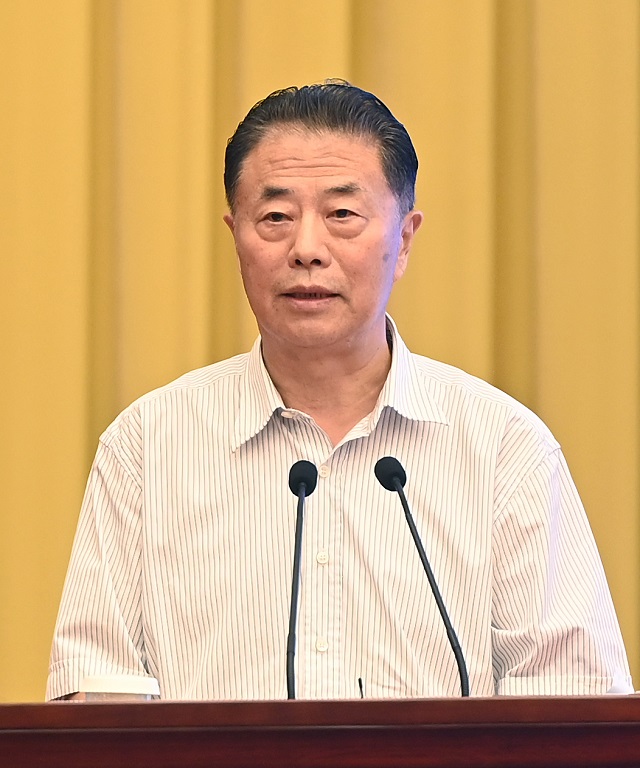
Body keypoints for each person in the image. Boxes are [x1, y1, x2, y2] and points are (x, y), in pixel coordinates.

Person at [47, 81, 632, 701]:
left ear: (404, 239)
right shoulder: (148, 446)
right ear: (235, 236)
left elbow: (574, 701)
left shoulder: (503, 448)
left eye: (342, 216)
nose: (306, 250)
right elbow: (96, 694)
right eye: (275, 217)